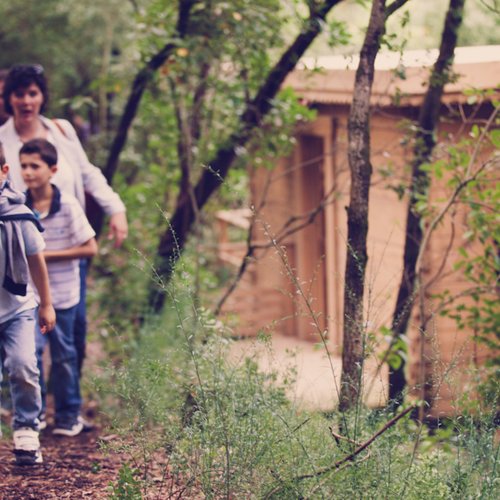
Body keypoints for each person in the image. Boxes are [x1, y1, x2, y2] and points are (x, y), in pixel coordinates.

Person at [0, 64, 128, 426]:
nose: (26, 101)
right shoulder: (3, 140)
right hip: (22, 256)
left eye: (33, 93)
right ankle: (30, 413)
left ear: (42, 96)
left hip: (69, 250)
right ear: (8, 98)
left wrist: (115, 208)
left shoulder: (61, 131)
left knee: (72, 334)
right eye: (19, 94)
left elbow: (88, 174)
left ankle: (68, 410)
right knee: (26, 337)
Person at [20, 138, 97, 436]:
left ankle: (68, 415)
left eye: (35, 166)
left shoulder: (67, 206)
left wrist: (45, 256)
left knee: (64, 355)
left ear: (52, 170)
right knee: (31, 356)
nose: (28, 172)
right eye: (23, 166)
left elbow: (90, 248)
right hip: (29, 296)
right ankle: (33, 415)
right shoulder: (18, 205)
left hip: (64, 295)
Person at [0, 140, 56, 465]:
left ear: (5, 172)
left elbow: (36, 261)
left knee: (22, 365)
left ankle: (26, 428)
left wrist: (46, 304)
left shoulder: (18, 215)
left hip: (17, 309)